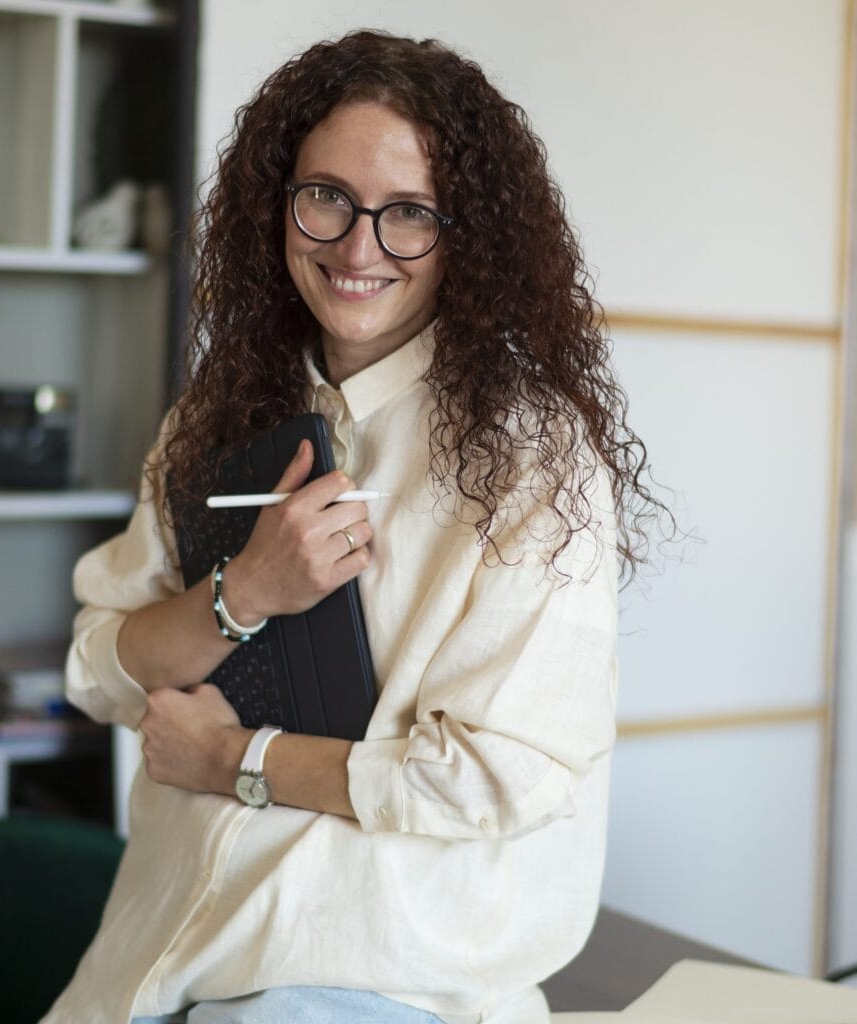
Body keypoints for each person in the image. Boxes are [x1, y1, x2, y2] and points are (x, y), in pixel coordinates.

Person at [41, 29, 669, 1024]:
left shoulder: (532, 459)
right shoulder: (215, 415)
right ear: (277, 201)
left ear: (467, 235)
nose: (358, 247)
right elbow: (95, 668)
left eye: (409, 212)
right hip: (155, 953)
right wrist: (246, 592)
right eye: (327, 196)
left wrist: (231, 759)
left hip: (371, 978)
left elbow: (498, 776)